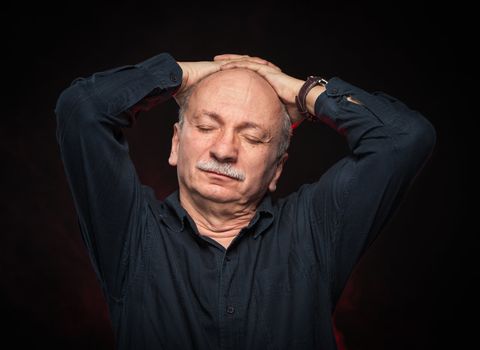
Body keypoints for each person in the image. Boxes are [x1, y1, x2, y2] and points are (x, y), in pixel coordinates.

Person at [54, 52, 436, 350]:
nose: (223, 150)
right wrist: (182, 76)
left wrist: (300, 91)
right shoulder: (130, 236)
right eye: (206, 126)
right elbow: (81, 110)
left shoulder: (314, 232)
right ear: (175, 143)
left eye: (253, 138)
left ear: (277, 169)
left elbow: (404, 138)